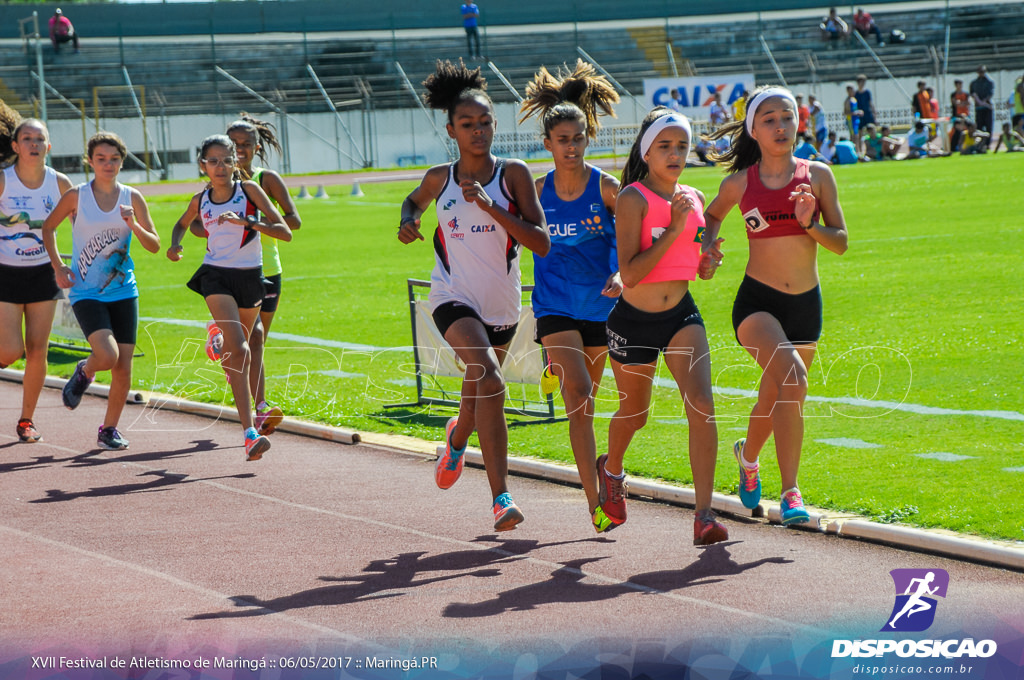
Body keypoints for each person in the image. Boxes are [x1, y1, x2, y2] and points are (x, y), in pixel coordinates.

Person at [398, 60, 548, 532]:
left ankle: (458, 440)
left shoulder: (513, 175)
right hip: (452, 296)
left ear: (495, 125)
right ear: (451, 130)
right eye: (467, 125)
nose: (478, 131)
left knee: (476, 385)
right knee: (491, 381)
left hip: (501, 304)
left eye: (485, 123)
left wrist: (490, 207)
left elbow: (540, 241)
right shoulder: (439, 179)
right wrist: (408, 221)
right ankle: (501, 497)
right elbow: (413, 201)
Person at [702, 86, 848, 526]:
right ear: (754, 129)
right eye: (768, 119)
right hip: (757, 304)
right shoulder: (740, 182)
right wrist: (709, 248)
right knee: (792, 376)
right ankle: (789, 490)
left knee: (785, 394)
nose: (780, 126)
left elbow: (840, 243)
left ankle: (753, 462)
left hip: (806, 305)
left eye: (787, 116)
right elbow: (710, 216)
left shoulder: (818, 176)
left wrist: (811, 225)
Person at [599, 108, 729, 546]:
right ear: (646, 151)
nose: (675, 154)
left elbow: (695, 265)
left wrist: (707, 263)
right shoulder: (632, 198)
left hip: (680, 316)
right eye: (665, 146)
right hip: (633, 322)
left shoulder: (693, 197)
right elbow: (630, 274)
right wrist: (674, 229)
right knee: (635, 415)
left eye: (682, 146)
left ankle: (704, 515)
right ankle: (611, 469)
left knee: (702, 405)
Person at [519, 60, 623, 533]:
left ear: (587, 138)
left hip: (601, 308)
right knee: (578, 396)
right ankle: (594, 503)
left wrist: (621, 271)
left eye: (578, 138)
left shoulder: (606, 187)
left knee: (590, 400)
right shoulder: (537, 193)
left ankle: (601, 472)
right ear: (548, 145)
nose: (571, 147)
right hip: (555, 306)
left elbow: (634, 234)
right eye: (562, 140)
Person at [166, 134, 291, 461]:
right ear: (203, 165)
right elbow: (182, 224)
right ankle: (250, 433)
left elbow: (285, 231)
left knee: (240, 350)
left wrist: (248, 221)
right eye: (213, 161)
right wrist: (176, 245)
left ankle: (217, 339)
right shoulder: (201, 199)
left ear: (236, 163)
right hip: (215, 275)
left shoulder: (249, 191)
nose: (219, 167)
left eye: (226, 160)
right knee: (243, 348)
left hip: (250, 278)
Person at [41, 133, 160, 450]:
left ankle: (109, 429)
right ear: (90, 161)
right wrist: (58, 266)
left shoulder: (132, 197)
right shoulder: (77, 196)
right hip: (85, 292)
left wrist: (133, 225)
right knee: (107, 355)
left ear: (122, 161)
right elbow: (48, 228)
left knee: (124, 366)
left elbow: (154, 245)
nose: (108, 164)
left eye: (115, 159)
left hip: (123, 291)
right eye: (101, 159)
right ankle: (86, 370)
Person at [213, 113, 303, 437]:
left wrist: (256, 218)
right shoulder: (217, 181)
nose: (239, 150)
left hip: (269, 270)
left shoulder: (267, 180)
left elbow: (293, 221)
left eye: (246, 144)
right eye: (233, 144)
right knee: (255, 337)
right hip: (231, 269)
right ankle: (261, 406)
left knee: (254, 341)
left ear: (256, 146)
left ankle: (223, 345)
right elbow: (201, 223)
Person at [0, 105, 72, 443]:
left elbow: (80, 224)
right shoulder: (3, 180)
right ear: (15, 146)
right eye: (26, 138)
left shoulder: (60, 183)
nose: (33, 143)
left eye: (39, 139)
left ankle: (26, 420)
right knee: (10, 351)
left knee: (37, 350)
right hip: (6, 273)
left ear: (48, 146)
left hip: (44, 273)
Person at [969, 65, 995, 134]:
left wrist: (984, 101)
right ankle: (980, 142)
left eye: (983, 72)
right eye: (980, 72)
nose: (982, 73)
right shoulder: (974, 83)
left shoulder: (989, 81)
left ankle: (988, 143)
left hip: (987, 107)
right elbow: (972, 93)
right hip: (978, 108)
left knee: (988, 126)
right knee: (979, 126)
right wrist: (978, 101)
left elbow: (990, 93)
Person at [1011, 72, 1024, 136]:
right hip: (1021, 110)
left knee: (1018, 128)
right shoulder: (1020, 85)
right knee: (1020, 128)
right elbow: (1022, 98)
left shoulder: (1018, 82)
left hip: (1017, 110)